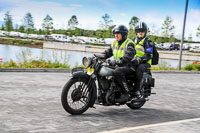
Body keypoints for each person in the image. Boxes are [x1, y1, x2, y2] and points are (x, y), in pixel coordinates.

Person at [101, 25, 136, 102]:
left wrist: (121, 60)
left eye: (118, 33)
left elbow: (129, 54)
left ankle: (126, 93)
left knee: (118, 71)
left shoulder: (129, 43)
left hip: (130, 66)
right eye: (115, 33)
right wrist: (97, 56)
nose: (116, 35)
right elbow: (107, 53)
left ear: (123, 34)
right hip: (119, 64)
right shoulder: (114, 43)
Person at [131, 21, 154, 97]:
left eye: (142, 31)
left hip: (145, 63)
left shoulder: (148, 42)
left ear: (145, 32)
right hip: (134, 61)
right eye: (138, 30)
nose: (140, 32)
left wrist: (140, 59)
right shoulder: (132, 41)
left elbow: (148, 55)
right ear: (136, 32)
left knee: (139, 68)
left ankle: (137, 89)